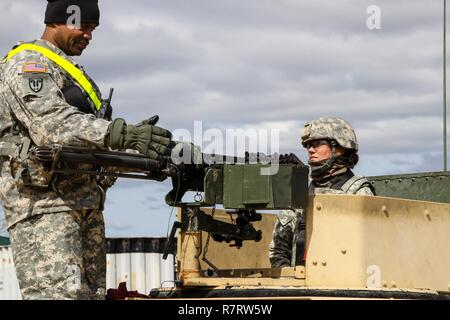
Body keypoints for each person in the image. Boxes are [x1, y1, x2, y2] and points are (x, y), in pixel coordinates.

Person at [0, 0, 174, 299]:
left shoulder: (70, 72)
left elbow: (90, 145)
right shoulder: (28, 64)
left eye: (93, 29)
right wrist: (123, 134)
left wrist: (150, 154)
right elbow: (51, 125)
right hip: (46, 210)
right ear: (58, 20)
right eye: (84, 27)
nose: (89, 36)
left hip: (84, 207)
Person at [269, 117, 375, 268]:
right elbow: (278, 250)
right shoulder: (300, 193)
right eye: (309, 146)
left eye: (317, 144)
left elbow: (368, 249)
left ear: (339, 147)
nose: (311, 150)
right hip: (298, 285)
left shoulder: (358, 192)